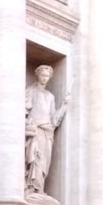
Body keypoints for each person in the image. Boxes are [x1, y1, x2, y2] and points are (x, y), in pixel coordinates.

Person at [24, 64, 69, 194]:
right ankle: (30, 187)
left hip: (47, 132)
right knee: (34, 158)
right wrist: (28, 123)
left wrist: (64, 105)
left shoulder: (50, 96)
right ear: (37, 75)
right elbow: (24, 110)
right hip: (35, 130)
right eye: (42, 75)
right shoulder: (31, 90)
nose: (44, 78)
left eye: (47, 76)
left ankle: (39, 188)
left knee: (44, 161)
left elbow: (54, 118)